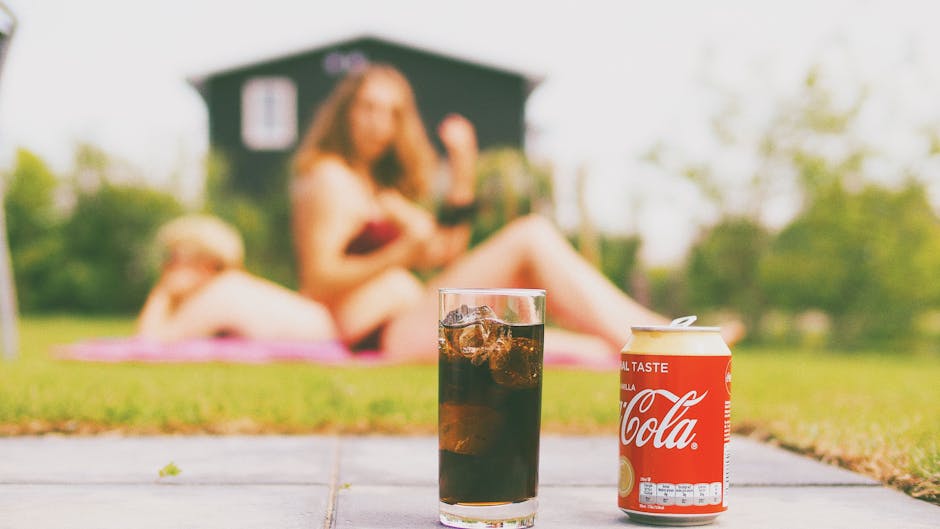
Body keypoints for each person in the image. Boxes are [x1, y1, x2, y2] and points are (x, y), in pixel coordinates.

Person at [290, 64, 742, 362]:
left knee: (589, 353)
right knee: (530, 236)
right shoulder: (330, 179)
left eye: (390, 113)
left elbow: (444, 252)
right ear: (345, 112)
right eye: (367, 108)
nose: (377, 123)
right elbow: (318, 282)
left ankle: (657, 349)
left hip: (415, 321)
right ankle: (662, 338)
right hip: (383, 334)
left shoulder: (377, 189)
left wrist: (463, 172)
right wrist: (400, 252)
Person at [137, 214, 337, 342]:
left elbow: (151, 341)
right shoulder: (231, 287)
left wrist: (163, 292)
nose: (167, 268)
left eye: (174, 259)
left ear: (208, 263)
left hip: (321, 335)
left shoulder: (218, 294)